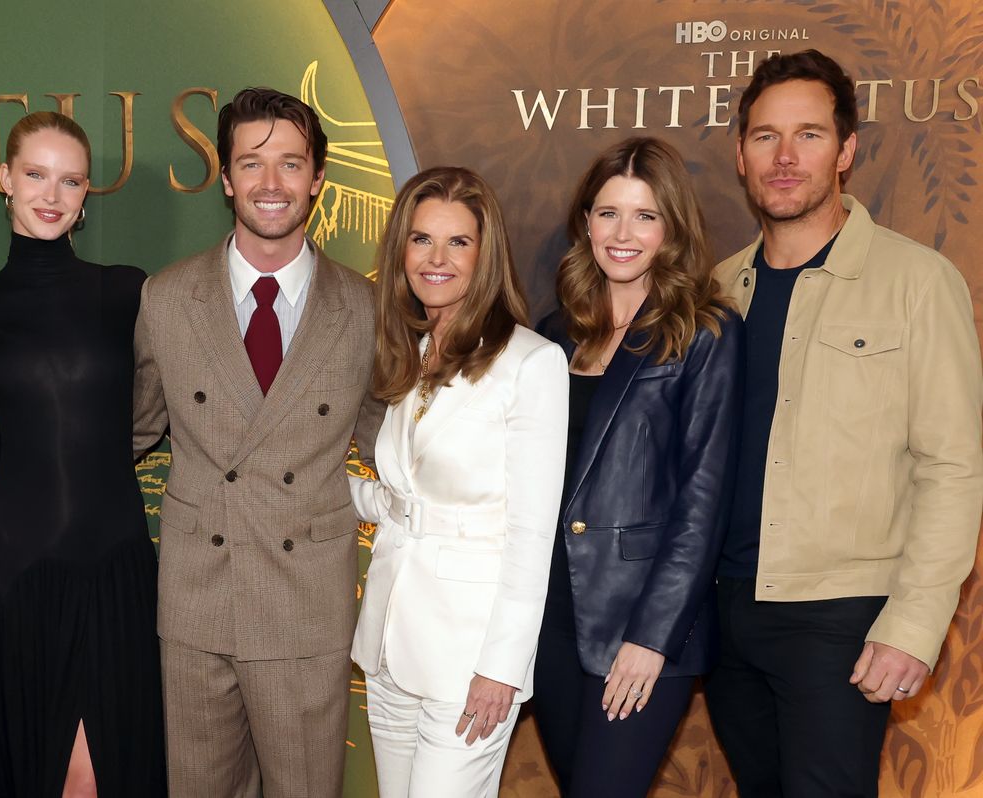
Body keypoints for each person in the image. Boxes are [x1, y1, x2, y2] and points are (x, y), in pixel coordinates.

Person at [0, 88, 383, 798]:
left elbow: (399, 438)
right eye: (252, 163)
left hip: (263, 605)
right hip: (141, 598)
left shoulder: (360, 308)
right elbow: (109, 424)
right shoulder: (156, 298)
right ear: (225, 178)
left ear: (318, 177)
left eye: (290, 164)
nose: (271, 183)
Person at [704, 50, 983, 797]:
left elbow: (952, 468)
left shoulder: (918, 282)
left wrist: (914, 623)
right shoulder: (715, 288)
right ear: (740, 155)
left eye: (810, 135)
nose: (786, 157)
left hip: (840, 618)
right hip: (723, 607)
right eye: (765, 136)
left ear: (847, 151)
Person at [0, 111, 166, 797]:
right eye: (37, 174)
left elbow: (176, 407)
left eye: (70, 180)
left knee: (102, 777)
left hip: (116, 574)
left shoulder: (130, 292)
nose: (52, 194)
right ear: (4, 179)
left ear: (86, 194)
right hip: (17, 576)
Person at [531, 137, 744, 796]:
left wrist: (651, 638)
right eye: (607, 213)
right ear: (585, 223)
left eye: (645, 216)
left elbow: (701, 506)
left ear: (671, 229)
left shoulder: (703, 332)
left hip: (641, 627)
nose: (623, 233)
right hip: (550, 624)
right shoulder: (554, 333)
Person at [349, 166, 568, 798]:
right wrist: (322, 491)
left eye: (458, 242)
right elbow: (401, 498)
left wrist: (502, 667)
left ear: (486, 252)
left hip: (469, 660)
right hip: (390, 644)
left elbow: (532, 533)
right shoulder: (410, 353)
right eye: (421, 240)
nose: (436, 259)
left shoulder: (531, 363)